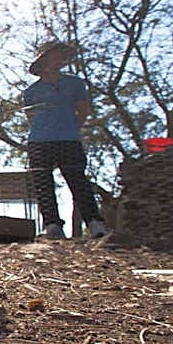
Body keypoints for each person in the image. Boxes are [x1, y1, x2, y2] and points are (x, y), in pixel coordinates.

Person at [23, 41, 108, 240]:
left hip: (68, 138)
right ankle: (52, 225)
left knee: (78, 180)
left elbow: (83, 111)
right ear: (44, 58)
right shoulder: (31, 92)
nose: (61, 59)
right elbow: (31, 118)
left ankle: (95, 223)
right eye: (57, 55)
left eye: (64, 56)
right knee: (43, 183)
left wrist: (71, 129)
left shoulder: (75, 84)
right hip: (39, 141)